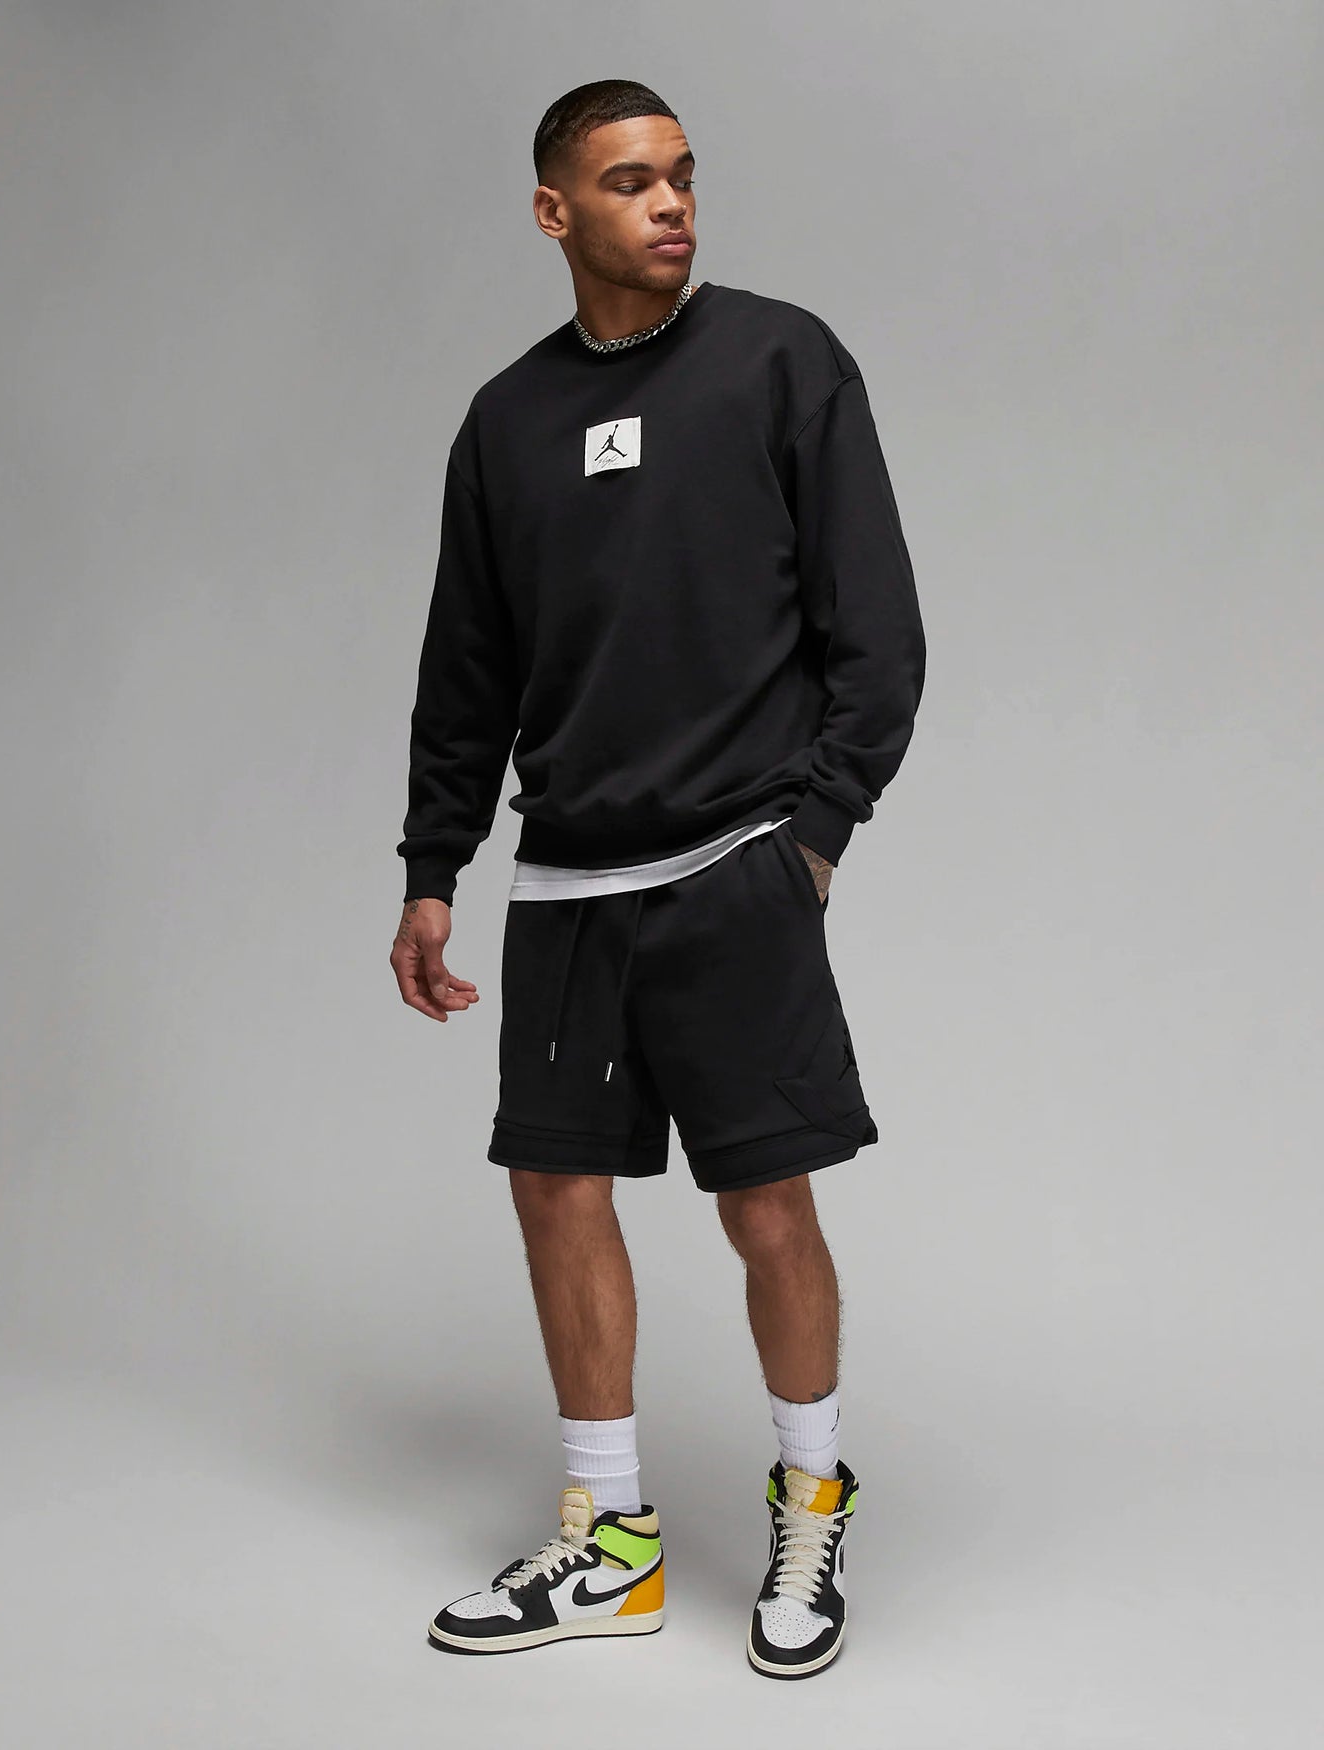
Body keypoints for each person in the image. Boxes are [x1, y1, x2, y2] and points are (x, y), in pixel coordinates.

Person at [391, 78, 926, 1679]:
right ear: (555, 212)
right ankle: (609, 1538)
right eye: (631, 182)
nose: (673, 202)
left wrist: (811, 838)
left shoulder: (781, 361)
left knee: (766, 1201)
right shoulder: (504, 422)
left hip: (736, 866)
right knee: (556, 1193)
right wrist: (434, 865)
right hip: (568, 885)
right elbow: (466, 668)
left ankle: (812, 1500)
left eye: (683, 175)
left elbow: (879, 635)